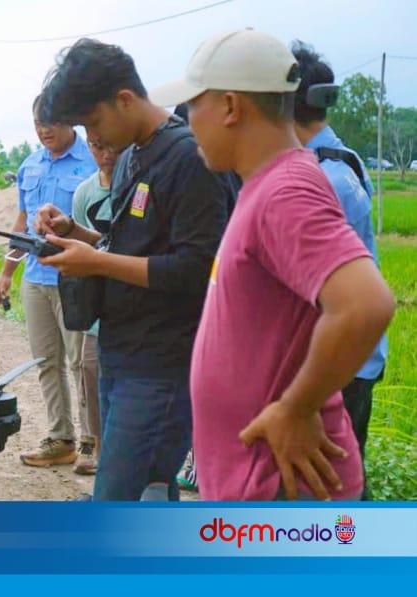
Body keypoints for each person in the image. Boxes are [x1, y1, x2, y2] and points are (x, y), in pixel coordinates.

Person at [152, 28, 395, 500]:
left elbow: (365, 305)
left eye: (191, 106)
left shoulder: (285, 192)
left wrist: (295, 408)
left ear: (229, 106)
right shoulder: (267, 183)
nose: (187, 122)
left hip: (282, 490)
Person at [33, 39, 232, 500]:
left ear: (125, 99)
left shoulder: (190, 158)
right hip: (122, 352)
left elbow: (199, 269)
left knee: (120, 497)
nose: (94, 136)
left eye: (94, 120)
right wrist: (75, 233)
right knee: (147, 496)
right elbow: (126, 244)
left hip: (162, 365)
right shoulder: (135, 154)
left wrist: (97, 260)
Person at [291, 40, 389, 500]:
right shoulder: (342, 159)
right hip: (354, 358)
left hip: (339, 364)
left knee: (330, 493)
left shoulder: (322, 177)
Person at [0, 95, 96, 469]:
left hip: (76, 280)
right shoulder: (29, 165)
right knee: (46, 361)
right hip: (35, 279)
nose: (44, 129)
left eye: (51, 121)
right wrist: (7, 271)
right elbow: (22, 221)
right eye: (38, 122)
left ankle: (91, 441)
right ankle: (60, 437)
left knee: (81, 364)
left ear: (71, 121)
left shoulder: (93, 161)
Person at [68, 140, 118, 476]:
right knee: (90, 372)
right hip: (97, 312)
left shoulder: (139, 187)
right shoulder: (85, 193)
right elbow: (79, 246)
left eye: (111, 144)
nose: (106, 152)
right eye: (98, 146)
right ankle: (99, 448)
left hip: (132, 307)